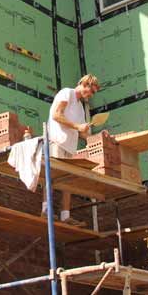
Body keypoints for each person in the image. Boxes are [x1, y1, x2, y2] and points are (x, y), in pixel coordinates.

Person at [45, 73, 99, 226]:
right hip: (56, 141)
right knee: (52, 176)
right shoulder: (66, 93)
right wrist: (77, 126)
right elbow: (56, 115)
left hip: (69, 147)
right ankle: (45, 209)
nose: (90, 94)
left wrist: (95, 134)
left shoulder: (81, 108)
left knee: (67, 181)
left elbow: (82, 133)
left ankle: (65, 215)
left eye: (93, 92)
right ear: (84, 83)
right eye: (90, 90)